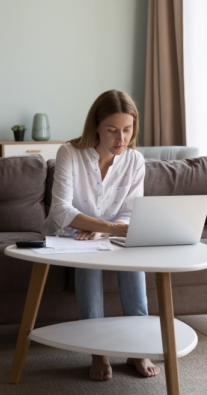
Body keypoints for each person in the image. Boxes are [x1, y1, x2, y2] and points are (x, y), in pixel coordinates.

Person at [41, 89, 160, 381]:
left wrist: (105, 229)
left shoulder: (134, 161)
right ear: (95, 125)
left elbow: (131, 211)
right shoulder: (70, 152)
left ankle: (137, 349)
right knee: (89, 264)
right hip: (71, 235)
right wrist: (102, 227)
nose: (121, 139)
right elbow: (60, 210)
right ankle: (98, 352)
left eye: (127, 130)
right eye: (112, 130)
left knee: (134, 260)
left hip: (110, 234)